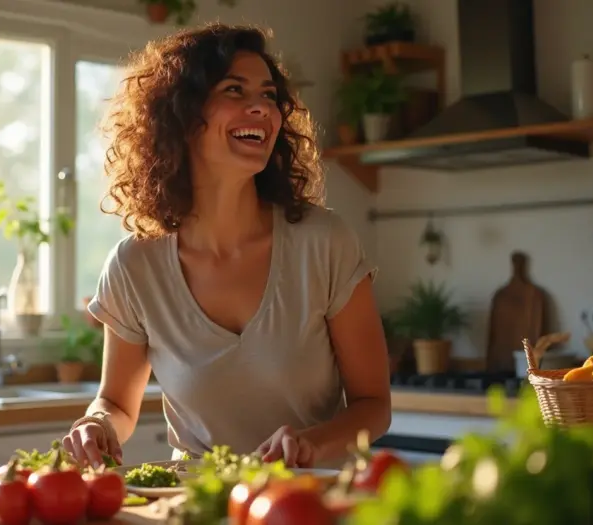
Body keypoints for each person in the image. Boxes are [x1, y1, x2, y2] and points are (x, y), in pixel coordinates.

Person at [62, 23, 391, 470]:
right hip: (198, 499)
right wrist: (96, 424)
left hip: (310, 498)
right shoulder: (134, 265)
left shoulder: (324, 243)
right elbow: (116, 404)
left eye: (269, 95)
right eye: (234, 90)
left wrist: (311, 444)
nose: (261, 108)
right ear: (181, 115)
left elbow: (374, 404)